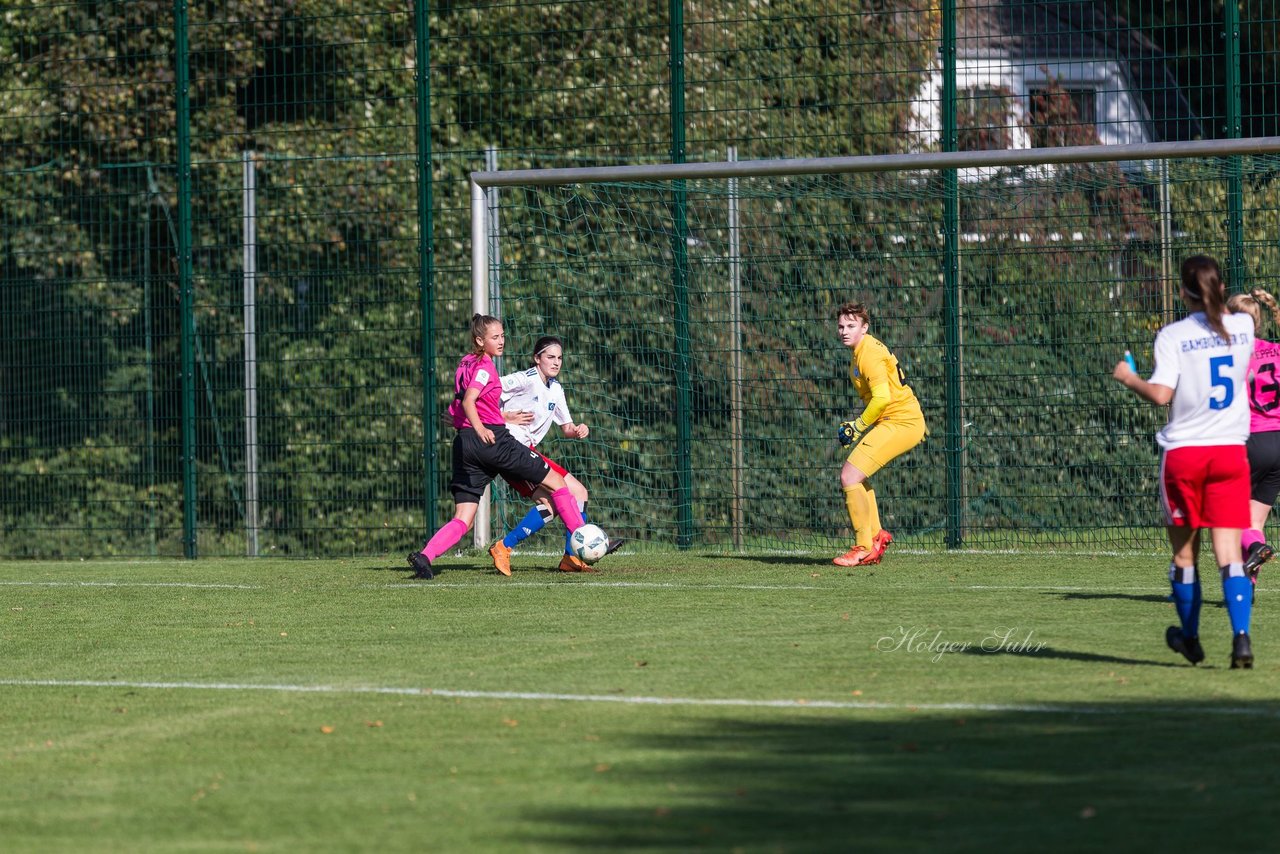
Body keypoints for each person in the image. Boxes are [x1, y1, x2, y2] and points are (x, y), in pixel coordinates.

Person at [1113, 255, 1256, 668]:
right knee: (1228, 551)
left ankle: (1190, 638)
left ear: (1182, 292)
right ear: (1222, 290)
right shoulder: (1243, 327)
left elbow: (1161, 395)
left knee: (1185, 555)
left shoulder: (1172, 335)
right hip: (1230, 451)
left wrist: (1128, 377)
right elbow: (1235, 319)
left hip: (1186, 454)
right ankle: (1241, 637)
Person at [407, 315, 587, 580]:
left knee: (464, 518)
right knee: (559, 484)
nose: (501, 341)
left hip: (465, 446)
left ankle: (425, 556)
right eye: (495, 337)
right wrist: (485, 428)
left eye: (502, 335)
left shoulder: (464, 363)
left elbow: (460, 402)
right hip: (494, 442)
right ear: (480, 341)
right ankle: (583, 545)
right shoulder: (485, 366)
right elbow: (470, 400)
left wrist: (463, 421)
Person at [487, 335, 621, 574]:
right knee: (558, 499)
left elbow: (566, 428)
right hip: (511, 448)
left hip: (528, 451)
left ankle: (569, 557)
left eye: (559, 358)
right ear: (536, 359)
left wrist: (578, 429)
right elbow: (486, 389)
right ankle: (507, 547)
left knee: (571, 496)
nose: (556, 362)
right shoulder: (524, 379)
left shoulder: (556, 389)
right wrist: (505, 417)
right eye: (550, 357)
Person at [832, 301, 927, 567]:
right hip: (897, 421)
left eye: (851, 326)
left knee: (849, 475)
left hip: (902, 422)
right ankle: (876, 537)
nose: (844, 331)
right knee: (858, 476)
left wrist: (857, 426)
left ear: (865, 327)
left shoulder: (868, 353)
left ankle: (863, 547)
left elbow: (882, 398)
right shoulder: (861, 350)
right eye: (840, 326)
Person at [1226, 289, 1280, 596]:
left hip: (1251, 442)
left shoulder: (1235, 356)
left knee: (1235, 523)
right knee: (1254, 521)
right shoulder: (1275, 350)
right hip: (1278, 442)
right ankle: (1247, 590)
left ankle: (1258, 548)